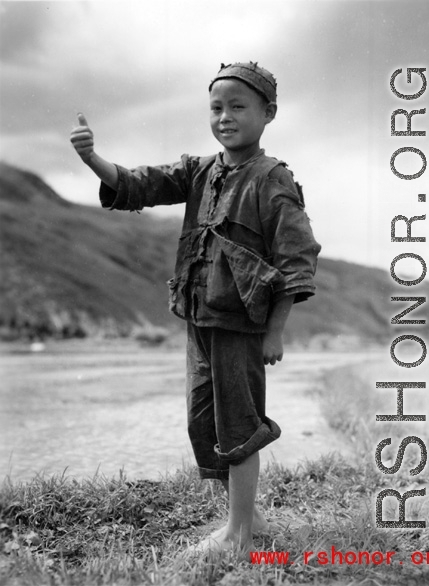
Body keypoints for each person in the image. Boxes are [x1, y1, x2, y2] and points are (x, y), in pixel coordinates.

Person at [70, 61, 321, 558]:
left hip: (241, 323)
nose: (225, 117)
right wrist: (92, 158)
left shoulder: (273, 180)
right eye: (216, 108)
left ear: (268, 113)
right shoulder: (199, 170)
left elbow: (297, 260)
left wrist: (276, 331)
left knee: (239, 425)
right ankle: (251, 519)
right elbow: (140, 183)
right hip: (199, 319)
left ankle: (239, 534)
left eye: (238, 107)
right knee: (203, 420)